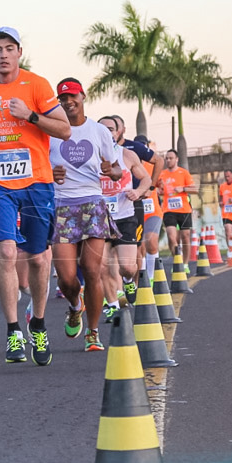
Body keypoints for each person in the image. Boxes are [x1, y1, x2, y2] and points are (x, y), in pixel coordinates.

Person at [0, 27, 71, 366]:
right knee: (6, 251)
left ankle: (38, 323)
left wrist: (29, 115)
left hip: (37, 182)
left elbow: (64, 129)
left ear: (19, 53)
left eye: (8, 48)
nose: (2, 54)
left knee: (40, 259)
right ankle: (14, 330)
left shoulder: (37, 85)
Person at [49, 80, 120, 352]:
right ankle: (75, 305)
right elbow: (40, 165)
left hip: (92, 204)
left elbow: (116, 170)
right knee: (67, 278)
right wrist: (51, 173)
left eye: (73, 96)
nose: (68, 102)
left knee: (92, 270)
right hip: (62, 205)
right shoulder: (52, 131)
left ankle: (93, 332)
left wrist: (109, 170)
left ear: (82, 96)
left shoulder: (99, 131)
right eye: (63, 97)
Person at [97, 117, 152, 319]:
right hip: (99, 219)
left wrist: (138, 192)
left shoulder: (127, 155)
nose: (107, 133)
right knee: (101, 265)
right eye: (101, 129)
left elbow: (146, 179)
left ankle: (128, 281)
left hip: (125, 216)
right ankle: (112, 303)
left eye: (111, 129)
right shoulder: (88, 156)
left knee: (127, 267)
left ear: (119, 132)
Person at [158, 149, 199, 273]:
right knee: (172, 237)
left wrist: (183, 188)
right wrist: (158, 191)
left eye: (171, 158)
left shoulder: (184, 173)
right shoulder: (162, 174)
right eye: (167, 158)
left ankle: (185, 264)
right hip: (168, 209)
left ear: (177, 159)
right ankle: (178, 261)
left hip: (184, 209)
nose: (168, 160)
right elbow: (157, 190)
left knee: (185, 237)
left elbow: (195, 189)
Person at [133, 135, 166, 278]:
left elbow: (162, 186)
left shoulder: (153, 165)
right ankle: (142, 277)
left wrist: (158, 187)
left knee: (151, 241)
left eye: (144, 146)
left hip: (153, 211)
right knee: (139, 248)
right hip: (135, 211)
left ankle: (151, 278)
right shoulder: (129, 164)